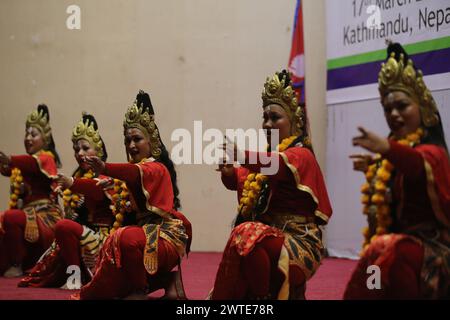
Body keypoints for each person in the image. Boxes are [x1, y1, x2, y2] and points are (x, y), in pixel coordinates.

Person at [211, 70, 332, 300]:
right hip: (271, 238)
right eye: (265, 117)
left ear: (294, 121)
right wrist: (229, 174)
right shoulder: (268, 155)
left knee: (248, 233)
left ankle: (265, 298)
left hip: (300, 243)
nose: (267, 124)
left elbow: (274, 166)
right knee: (249, 237)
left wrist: (242, 155)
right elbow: (245, 182)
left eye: (275, 118)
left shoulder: (300, 155)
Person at [344, 43, 450, 299]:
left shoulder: (432, 154)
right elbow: (400, 176)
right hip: (396, 244)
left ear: (423, 108)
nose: (394, 114)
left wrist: (387, 149)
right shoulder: (397, 155)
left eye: (402, 106)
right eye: (388, 109)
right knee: (376, 258)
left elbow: (416, 164)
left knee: (388, 250)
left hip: (435, 249)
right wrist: (374, 165)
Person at [72, 90, 192, 300]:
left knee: (125, 237)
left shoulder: (156, 168)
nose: (131, 145)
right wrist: (72, 182)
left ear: (151, 143)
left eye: (137, 139)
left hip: (163, 237)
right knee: (116, 255)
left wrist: (105, 167)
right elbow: (97, 187)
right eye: (127, 140)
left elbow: (135, 173)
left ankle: (140, 290)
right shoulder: (128, 173)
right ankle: (169, 282)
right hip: (142, 236)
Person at [18, 113, 115, 288]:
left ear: (98, 151)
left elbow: (96, 189)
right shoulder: (76, 176)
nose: (80, 154)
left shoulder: (104, 176)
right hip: (82, 235)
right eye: (76, 149)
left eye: (85, 148)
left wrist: (72, 183)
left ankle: (75, 278)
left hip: (103, 239)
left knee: (63, 227)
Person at [0, 104, 62, 278]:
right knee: (4, 219)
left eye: (33, 134)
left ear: (45, 140)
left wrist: (10, 159)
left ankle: (16, 264)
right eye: (27, 134)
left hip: (45, 216)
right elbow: (6, 170)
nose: (28, 138)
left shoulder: (46, 158)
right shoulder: (23, 164)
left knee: (11, 217)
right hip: (28, 214)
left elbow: (31, 163)